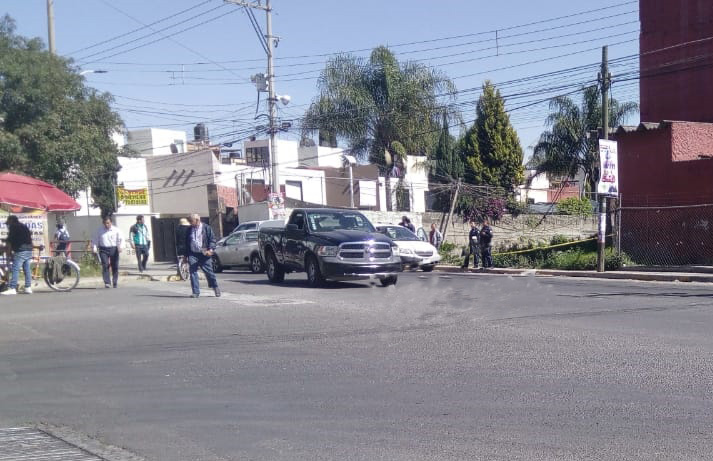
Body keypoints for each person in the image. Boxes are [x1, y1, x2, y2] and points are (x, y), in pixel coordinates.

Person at [181, 213, 220, 298]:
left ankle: (215, 286)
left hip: (204, 253)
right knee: (193, 272)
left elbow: (212, 240)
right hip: (193, 254)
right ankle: (196, 292)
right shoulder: (189, 229)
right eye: (189, 221)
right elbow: (187, 243)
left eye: (191, 221)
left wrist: (211, 250)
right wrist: (185, 256)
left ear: (197, 220)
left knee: (209, 273)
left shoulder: (206, 228)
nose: (190, 223)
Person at [1, 215, 34, 295]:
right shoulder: (23, 226)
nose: (8, 225)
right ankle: (28, 287)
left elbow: (11, 239)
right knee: (27, 269)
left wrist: (4, 240)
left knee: (15, 269)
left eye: (8, 223)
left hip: (21, 250)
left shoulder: (14, 227)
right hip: (28, 249)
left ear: (11, 221)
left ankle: (12, 288)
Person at [92, 216, 123, 288]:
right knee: (105, 265)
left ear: (111, 223)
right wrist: (94, 247)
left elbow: (121, 239)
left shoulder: (116, 230)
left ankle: (115, 281)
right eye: (105, 223)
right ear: (103, 223)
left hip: (114, 248)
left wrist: (120, 247)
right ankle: (107, 282)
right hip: (103, 249)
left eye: (108, 223)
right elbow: (95, 240)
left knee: (115, 265)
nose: (107, 225)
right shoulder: (99, 230)